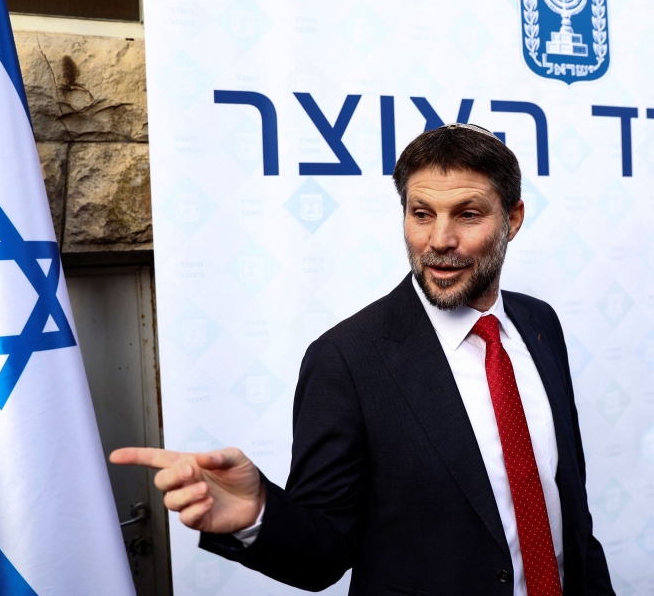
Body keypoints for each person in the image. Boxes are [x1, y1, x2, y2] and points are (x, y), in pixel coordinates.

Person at [111, 124, 616, 595]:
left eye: (467, 214)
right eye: (422, 214)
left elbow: (569, 512)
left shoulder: (539, 323)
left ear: (513, 219)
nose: (439, 240)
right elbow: (323, 554)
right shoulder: (346, 360)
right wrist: (258, 515)